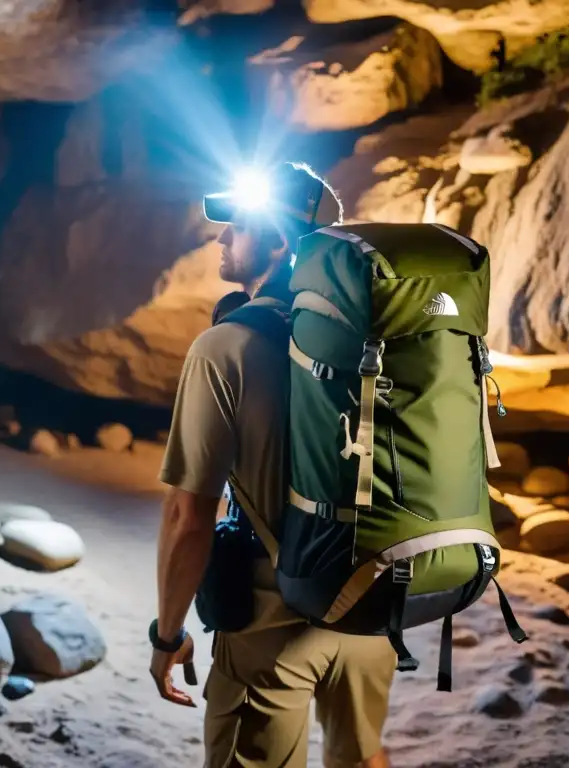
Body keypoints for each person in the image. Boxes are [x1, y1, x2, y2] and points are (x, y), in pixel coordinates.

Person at [150, 161, 398, 768]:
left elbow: (188, 515)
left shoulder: (225, 347)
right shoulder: (383, 338)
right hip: (373, 607)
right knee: (362, 758)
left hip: (271, 623)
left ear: (280, 243)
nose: (222, 238)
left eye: (237, 227)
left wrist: (167, 635)